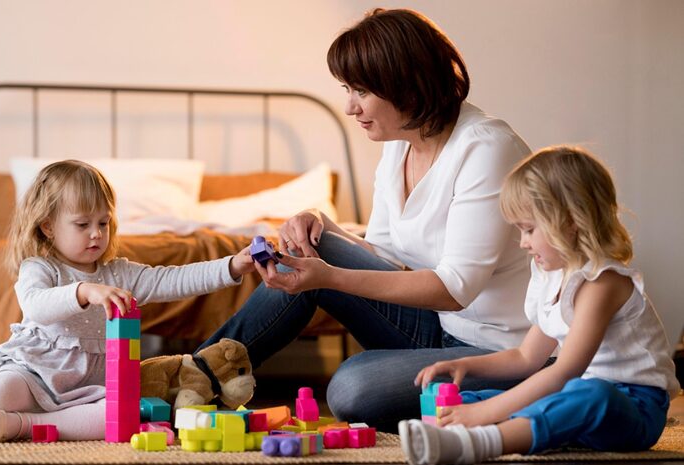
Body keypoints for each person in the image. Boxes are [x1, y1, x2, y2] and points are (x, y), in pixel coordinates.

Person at [198, 8, 533, 431]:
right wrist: (323, 223)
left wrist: (328, 277)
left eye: (361, 91)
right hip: (438, 331)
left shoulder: (485, 149)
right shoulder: (399, 144)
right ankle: (193, 377)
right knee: (306, 246)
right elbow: (386, 256)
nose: (349, 107)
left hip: (503, 351)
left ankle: (522, 393)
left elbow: (454, 290)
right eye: (347, 89)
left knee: (351, 389)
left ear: (407, 86)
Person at [0, 159, 256, 448]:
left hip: (93, 383)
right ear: (48, 226)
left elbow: (175, 279)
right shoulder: (39, 267)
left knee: (122, 415)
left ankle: (24, 426)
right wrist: (84, 292)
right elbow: (35, 306)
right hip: (35, 373)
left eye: (104, 222)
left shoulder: (120, 271)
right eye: (82, 224)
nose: (96, 234)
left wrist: (232, 266)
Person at [399, 146, 680, 465]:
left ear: (571, 221)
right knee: (476, 400)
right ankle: (447, 434)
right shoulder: (552, 278)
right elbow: (526, 356)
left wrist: (484, 414)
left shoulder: (603, 283)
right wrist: (467, 366)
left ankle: (483, 443)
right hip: (575, 396)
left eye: (529, 229)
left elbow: (565, 370)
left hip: (634, 408)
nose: (522, 243)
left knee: (588, 396)